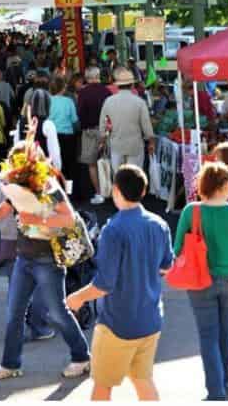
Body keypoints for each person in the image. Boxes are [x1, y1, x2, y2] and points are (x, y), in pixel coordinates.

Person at [0, 144, 91, 382]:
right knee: (14, 313)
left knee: (57, 313)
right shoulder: (16, 186)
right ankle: (10, 363)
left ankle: (81, 356)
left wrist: (37, 218)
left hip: (47, 259)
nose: (12, 170)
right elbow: (3, 211)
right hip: (23, 256)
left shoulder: (48, 186)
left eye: (16, 165)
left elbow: (68, 218)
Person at [67, 165, 174, 400]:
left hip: (118, 324)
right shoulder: (160, 224)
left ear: (115, 190)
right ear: (144, 190)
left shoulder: (113, 229)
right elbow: (167, 266)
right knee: (143, 380)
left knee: (102, 387)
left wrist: (76, 298)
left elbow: (104, 284)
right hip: (151, 318)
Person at [174, 162, 228, 400]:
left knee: (208, 336)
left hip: (199, 281)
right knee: (224, 331)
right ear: (223, 185)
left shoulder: (192, 211)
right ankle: (222, 380)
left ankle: (216, 391)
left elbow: (178, 247)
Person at [0, 173, 53, 342]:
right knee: (41, 285)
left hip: (8, 238)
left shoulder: (0, 179)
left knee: (15, 288)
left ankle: (17, 330)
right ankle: (39, 326)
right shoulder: (35, 177)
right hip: (33, 240)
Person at [99, 67, 156, 174]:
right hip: (135, 145)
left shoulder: (109, 101)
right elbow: (147, 126)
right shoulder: (139, 102)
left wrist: (102, 141)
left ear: (117, 85)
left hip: (116, 145)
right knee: (135, 178)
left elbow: (102, 124)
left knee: (118, 178)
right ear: (132, 85)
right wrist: (151, 142)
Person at [77, 66, 112, 205]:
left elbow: (80, 112)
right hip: (106, 131)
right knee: (108, 161)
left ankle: (99, 193)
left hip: (89, 131)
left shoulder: (83, 92)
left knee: (92, 164)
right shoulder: (106, 91)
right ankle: (110, 190)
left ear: (87, 78)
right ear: (98, 76)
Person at [16, 89, 62, 177]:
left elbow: (17, 145)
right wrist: (57, 171)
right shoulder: (48, 125)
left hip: (22, 171)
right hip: (42, 173)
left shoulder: (20, 123)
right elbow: (54, 154)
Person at [49, 76, 78, 191]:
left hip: (53, 137)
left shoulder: (48, 101)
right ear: (63, 88)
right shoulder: (69, 101)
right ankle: (69, 191)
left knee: (54, 165)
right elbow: (74, 120)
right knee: (69, 166)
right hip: (68, 136)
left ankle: (56, 190)